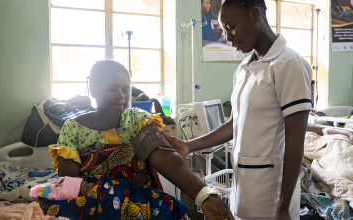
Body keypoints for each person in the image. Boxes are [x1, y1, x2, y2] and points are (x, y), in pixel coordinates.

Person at [164, 0, 313, 219]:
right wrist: (188, 146)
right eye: (224, 30)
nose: (228, 37)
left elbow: (295, 140)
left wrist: (283, 207)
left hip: (273, 194)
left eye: (231, 27)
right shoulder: (244, 69)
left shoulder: (288, 64)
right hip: (242, 186)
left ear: (255, 14)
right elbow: (234, 124)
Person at [48, 60, 234, 220]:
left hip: (143, 208)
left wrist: (204, 194)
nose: (121, 94)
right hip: (97, 210)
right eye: (112, 88)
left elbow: (164, 155)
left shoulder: (136, 119)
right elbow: (69, 184)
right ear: (93, 89)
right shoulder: (73, 129)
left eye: (125, 89)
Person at [31, 176, 188, 219]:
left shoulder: (99, 183)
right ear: (78, 198)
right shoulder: (88, 204)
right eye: (86, 187)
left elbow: (125, 188)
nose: (92, 186)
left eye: (87, 182)